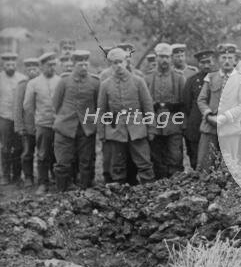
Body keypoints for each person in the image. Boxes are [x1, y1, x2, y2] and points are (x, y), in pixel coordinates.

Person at [97, 47, 155, 184]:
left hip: (137, 129)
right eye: (114, 63)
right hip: (116, 130)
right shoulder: (105, 85)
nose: (118, 66)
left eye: (120, 62)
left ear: (126, 62)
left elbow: (148, 107)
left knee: (144, 163)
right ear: (110, 65)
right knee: (117, 165)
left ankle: (151, 193)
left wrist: (151, 128)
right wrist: (102, 133)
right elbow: (101, 111)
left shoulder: (138, 81)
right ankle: (120, 195)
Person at [52, 50, 100, 190]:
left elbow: (98, 106)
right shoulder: (64, 81)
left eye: (86, 64)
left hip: (86, 128)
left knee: (86, 162)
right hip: (65, 127)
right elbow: (56, 104)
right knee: (63, 162)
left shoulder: (95, 82)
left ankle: (85, 190)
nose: (84, 67)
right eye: (80, 64)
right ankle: (62, 190)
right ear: (73, 65)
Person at [197, 43, 241, 168]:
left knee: (230, 165)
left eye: (230, 58)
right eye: (223, 58)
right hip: (210, 126)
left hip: (231, 127)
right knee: (205, 162)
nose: (227, 61)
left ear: (235, 60)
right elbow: (201, 100)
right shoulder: (210, 77)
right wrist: (209, 116)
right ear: (218, 60)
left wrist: (226, 117)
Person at [144, 43, 186, 179]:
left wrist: (182, 124)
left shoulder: (179, 78)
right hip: (154, 124)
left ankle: (177, 186)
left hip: (174, 124)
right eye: (161, 57)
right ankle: (159, 187)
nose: (164, 60)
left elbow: (184, 103)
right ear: (156, 58)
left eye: (167, 57)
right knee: (156, 157)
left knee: (175, 156)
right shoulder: (148, 78)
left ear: (171, 58)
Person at [24, 52, 61, 194]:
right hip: (43, 125)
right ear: (42, 66)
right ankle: (43, 183)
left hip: (58, 125)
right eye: (48, 65)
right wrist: (36, 121)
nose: (51, 68)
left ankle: (59, 181)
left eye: (53, 65)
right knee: (43, 154)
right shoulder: (33, 83)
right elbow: (28, 106)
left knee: (59, 154)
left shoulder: (60, 81)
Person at [183, 49, 216, 170]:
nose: (206, 65)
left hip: (215, 123)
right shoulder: (192, 81)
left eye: (208, 62)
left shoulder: (219, 78)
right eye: (203, 62)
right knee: (196, 157)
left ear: (213, 62)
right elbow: (186, 104)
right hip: (196, 124)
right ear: (198, 64)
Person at [0, 52, 27, 185]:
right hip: (4, 118)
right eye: (7, 64)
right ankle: (5, 175)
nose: (10, 66)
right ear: (3, 65)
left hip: (18, 119)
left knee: (18, 148)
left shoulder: (22, 78)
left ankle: (17, 175)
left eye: (13, 64)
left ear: (16, 64)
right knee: (5, 147)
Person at [13, 57, 39, 186]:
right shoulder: (22, 85)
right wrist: (20, 126)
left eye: (35, 69)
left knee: (45, 153)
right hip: (28, 127)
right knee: (27, 153)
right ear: (25, 70)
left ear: (39, 69)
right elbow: (17, 108)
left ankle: (45, 177)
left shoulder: (43, 83)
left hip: (42, 125)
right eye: (29, 69)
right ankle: (28, 177)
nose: (32, 71)